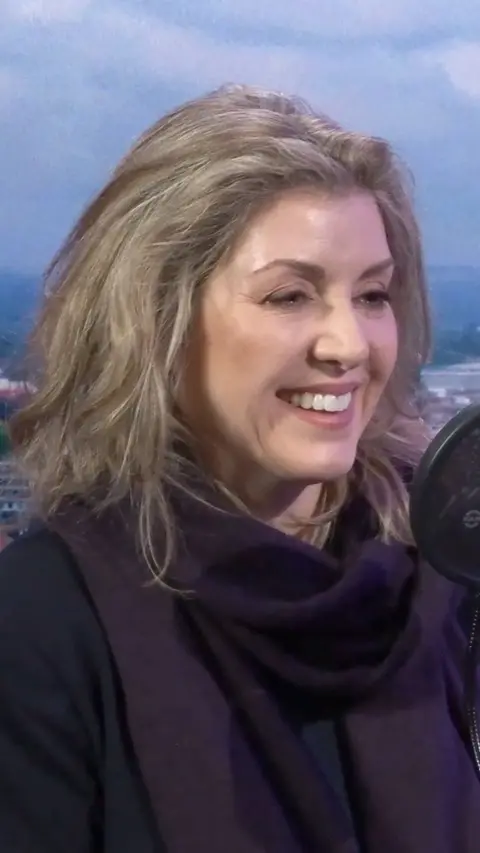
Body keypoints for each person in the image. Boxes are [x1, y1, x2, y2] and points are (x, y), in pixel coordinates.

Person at [0, 84, 478, 853]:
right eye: (291, 295)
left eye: (373, 294)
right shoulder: (45, 619)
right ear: (155, 321)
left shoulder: (443, 582)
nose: (349, 345)